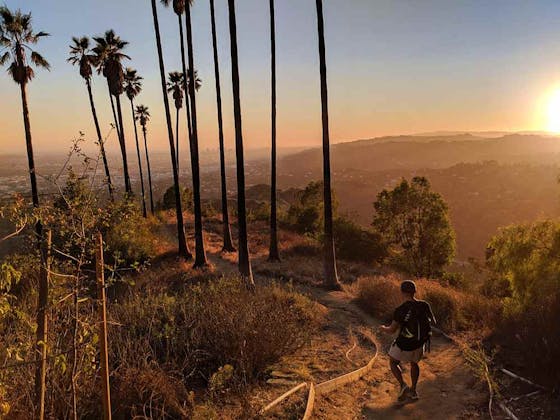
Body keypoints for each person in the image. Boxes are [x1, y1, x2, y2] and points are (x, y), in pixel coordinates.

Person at [379, 280, 435, 402]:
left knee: (393, 362)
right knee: (414, 363)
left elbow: (392, 330)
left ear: (402, 292)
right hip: (420, 343)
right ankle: (414, 390)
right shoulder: (424, 305)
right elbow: (432, 321)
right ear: (415, 291)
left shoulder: (400, 309)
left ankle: (403, 385)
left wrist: (383, 328)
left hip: (404, 344)